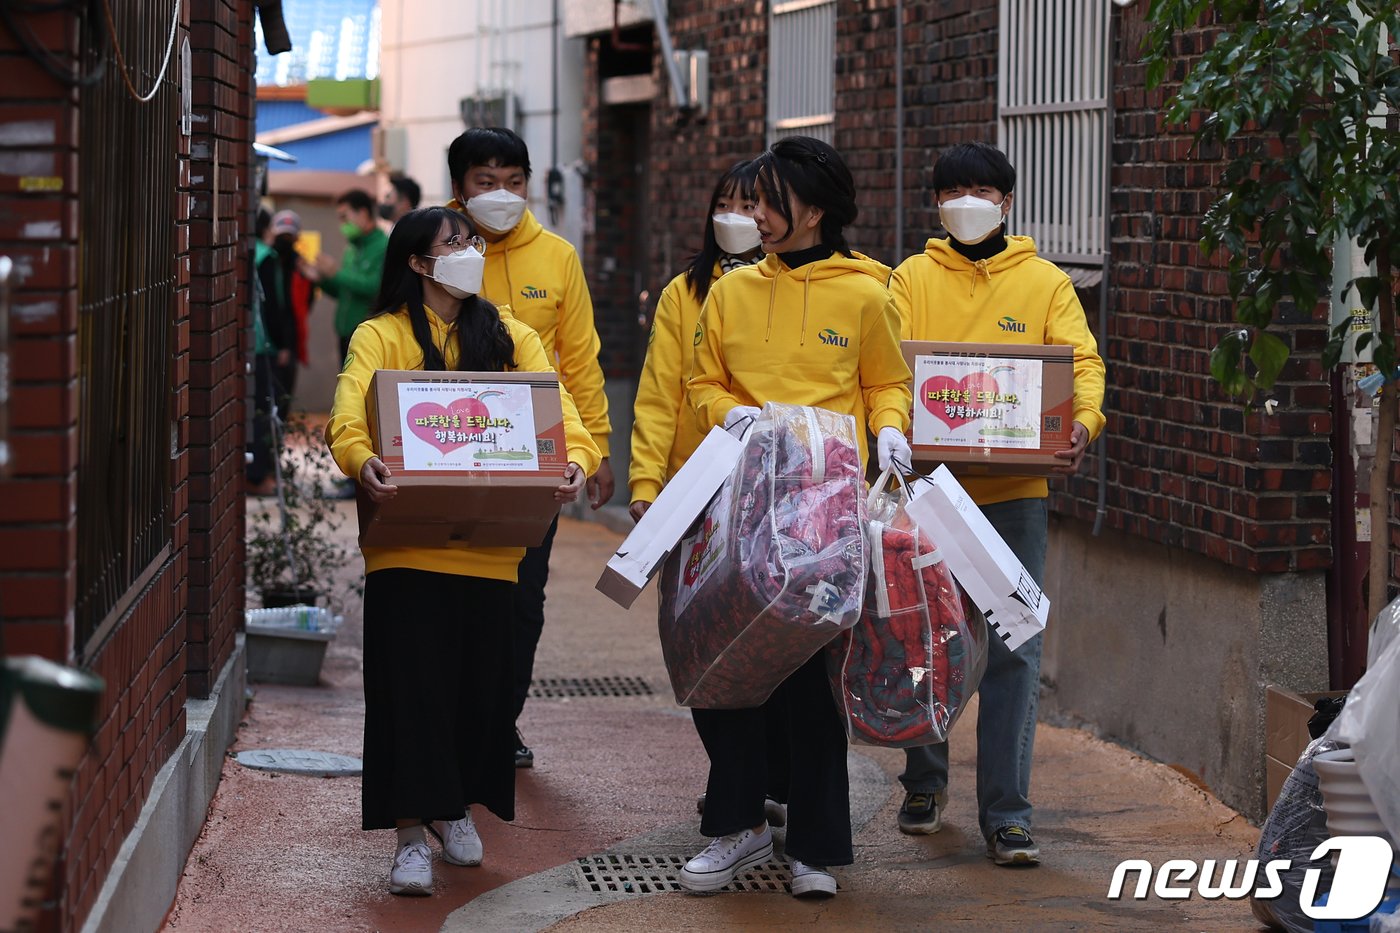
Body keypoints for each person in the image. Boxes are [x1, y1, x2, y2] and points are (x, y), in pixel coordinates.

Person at [325, 206, 600, 896]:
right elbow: (348, 412)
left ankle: (455, 810)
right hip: (406, 548)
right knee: (410, 690)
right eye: (455, 243)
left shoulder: (509, 334)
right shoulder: (381, 334)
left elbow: (558, 407)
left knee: (478, 693)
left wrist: (579, 456)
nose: (471, 250)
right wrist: (360, 458)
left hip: (492, 548)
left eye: (472, 240)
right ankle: (409, 837)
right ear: (419, 263)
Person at [682, 136, 913, 899]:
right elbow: (702, 380)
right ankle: (738, 824)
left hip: (825, 512)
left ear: (814, 209)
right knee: (730, 668)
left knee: (814, 683)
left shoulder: (868, 293)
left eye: (768, 201)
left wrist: (890, 427)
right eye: (751, 201)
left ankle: (814, 845)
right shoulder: (731, 291)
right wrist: (730, 413)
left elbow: (885, 382)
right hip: (742, 502)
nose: (753, 215)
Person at [887, 141, 1105, 866]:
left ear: (1007, 202)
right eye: (954, 191)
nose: (968, 203)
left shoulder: (1044, 283)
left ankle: (1007, 814)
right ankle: (924, 780)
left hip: (1014, 497)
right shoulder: (910, 279)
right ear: (936, 203)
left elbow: (1082, 363)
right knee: (925, 640)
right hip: (929, 494)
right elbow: (885, 366)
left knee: (1015, 649)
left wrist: (1082, 422)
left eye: (982, 191)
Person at [446, 126, 614, 768]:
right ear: (459, 186)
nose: (501, 194)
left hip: (535, 457)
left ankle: (501, 721)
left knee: (523, 596)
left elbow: (581, 359)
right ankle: (454, 718)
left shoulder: (557, 257)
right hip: (450, 449)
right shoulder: (436, 247)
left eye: (513, 181)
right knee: (455, 591)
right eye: (485, 181)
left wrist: (596, 446)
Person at [627, 160, 788, 828]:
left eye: (752, 204)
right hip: (697, 491)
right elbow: (659, 392)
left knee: (775, 639)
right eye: (727, 202)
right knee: (699, 639)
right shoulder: (683, 293)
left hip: (776, 489)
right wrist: (646, 482)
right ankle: (735, 774)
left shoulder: (796, 287)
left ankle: (761, 780)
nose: (738, 217)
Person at [304, 188, 389, 362]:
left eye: (344, 217)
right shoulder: (351, 249)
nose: (342, 224)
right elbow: (343, 292)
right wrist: (322, 279)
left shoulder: (383, 246)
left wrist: (336, 272)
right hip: (344, 333)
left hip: (367, 335)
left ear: (363, 214)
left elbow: (375, 287)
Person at [246, 208, 282, 496]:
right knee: (263, 409)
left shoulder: (245, 251)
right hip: (262, 343)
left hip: (245, 342)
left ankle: (254, 473)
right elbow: (274, 306)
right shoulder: (266, 256)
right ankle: (258, 476)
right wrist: (282, 343)